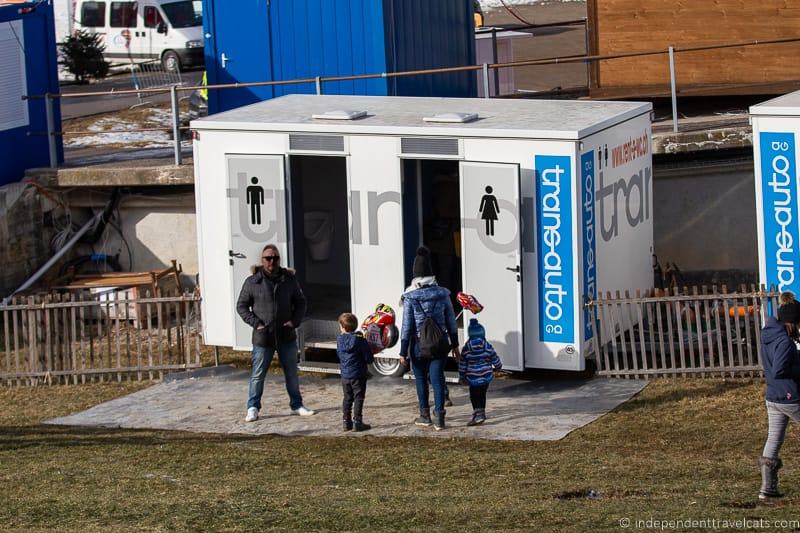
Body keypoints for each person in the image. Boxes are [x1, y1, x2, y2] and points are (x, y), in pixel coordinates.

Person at [236, 244, 315, 422]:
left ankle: (297, 405)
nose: (272, 261)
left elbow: (301, 302)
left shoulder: (289, 280)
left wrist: (294, 322)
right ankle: (253, 407)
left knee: (292, 373)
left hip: (286, 335)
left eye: (275, 258)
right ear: (262, 261)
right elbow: (241, 306)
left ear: (279, 260)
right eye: (268, 258)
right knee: (258, 374)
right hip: (263, 337)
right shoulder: (252, 281)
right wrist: (256, 323)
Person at [399, 246, 460, 430]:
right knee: (438, 379)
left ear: (415, 276)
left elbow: (406, 326)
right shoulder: (443, 294)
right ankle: (440, 417)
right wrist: (455, 345)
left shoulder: (410, 297)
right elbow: (451, 321)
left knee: (420, 378)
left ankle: (424, 415)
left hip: (418, 345)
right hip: (440, 344)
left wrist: (403, 351)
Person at [758, 291, 800, 500]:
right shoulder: (785, 342)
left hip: (773, 396)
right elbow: (780, 368)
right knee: (774, 439)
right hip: (790, 397)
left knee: (773, 440)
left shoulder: (769, 334)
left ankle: (767, 490)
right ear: (792, 322)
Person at [459, 318, 502, 426]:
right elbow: (494, 357)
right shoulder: (487, 346)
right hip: (486, 376)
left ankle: (477, 415)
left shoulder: (467, 348)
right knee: (482, 395)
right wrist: (498, 367)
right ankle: (481, 413)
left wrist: (462, 375)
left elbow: (463, 363)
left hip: (473, 378)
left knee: (474, 396)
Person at [336, 312, 374, 432]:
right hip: (358, 374)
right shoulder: (359, 340)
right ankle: (358, 422)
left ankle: (346, 422)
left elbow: (339, 355)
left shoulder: (339, 339)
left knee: (347, 398)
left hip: (345, 375)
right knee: (358, 397)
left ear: (342, 327)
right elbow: (369, 358)